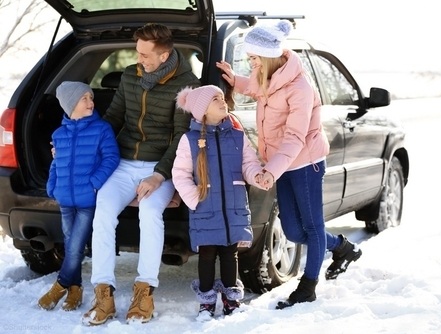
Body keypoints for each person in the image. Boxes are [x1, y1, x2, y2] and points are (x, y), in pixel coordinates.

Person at [216, 20, 363, 309]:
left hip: (305, 163)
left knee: (312, 225)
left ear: (269, 56)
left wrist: (271, 170)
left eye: (254, 58)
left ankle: (308, 287)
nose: (251, 63)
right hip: (281, 163)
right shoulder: (266, 75)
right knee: (294, 231)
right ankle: (342, 248)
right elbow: (257, 89)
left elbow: (295, 137)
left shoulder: (300, 88)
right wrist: (234, 79)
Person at [82, 23, 200, 326]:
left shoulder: (187, 86)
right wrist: (83, 145)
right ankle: (103, 294)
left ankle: (144, 291)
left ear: (164, 55)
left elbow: (181, 137)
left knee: (149, 212)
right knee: (103, 212)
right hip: (123, 162)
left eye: (145, 54)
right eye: (138, 52)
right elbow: (114, 117)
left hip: (160, 166)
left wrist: (160, 176)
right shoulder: (131, 75)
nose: (139, 59)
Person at [172, 85, 266, 321]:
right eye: (215, 99)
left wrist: (256, 175)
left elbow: (248, 163)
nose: (222, 101)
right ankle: (206, 303)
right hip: (205, 207)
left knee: (229, 253)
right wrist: (194, 198)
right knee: (207, 254)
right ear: (202, 110)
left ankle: (231, 300)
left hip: (233, 207)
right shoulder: (190, 140)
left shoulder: (237, 136)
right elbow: (180, 173)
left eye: (222, 97)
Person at [39, 81, 120, 312]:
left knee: (75, 248)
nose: (91, 102)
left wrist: (94, 183)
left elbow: (111, 158)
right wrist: (52, 186)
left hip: (87, 201)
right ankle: (75, 289)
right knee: (69, 243)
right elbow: (56, 163)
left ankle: (60, 285)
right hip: (64, 199)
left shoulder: (101, 129)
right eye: (84, 98)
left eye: (91, 98)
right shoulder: (59, 134)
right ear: (70, 104)